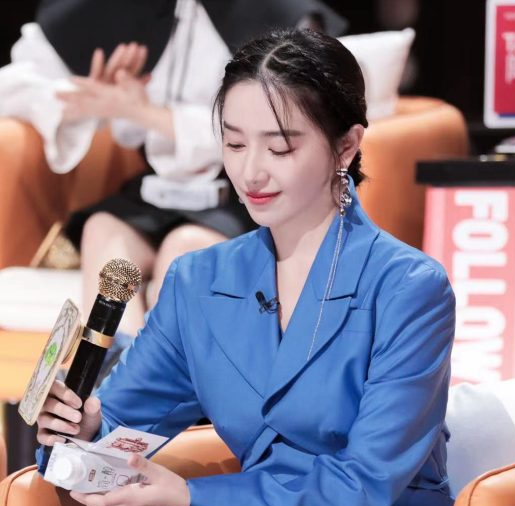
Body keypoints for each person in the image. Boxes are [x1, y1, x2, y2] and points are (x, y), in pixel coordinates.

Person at [25, 27, 455, 506]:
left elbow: (360, 485)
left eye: (280, 146)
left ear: (346, 145)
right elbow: (122, 423)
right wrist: (78, 424)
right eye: (232, 142)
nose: (251, 170)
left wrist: (188, 494)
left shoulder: (408, 288)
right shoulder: (200, 282)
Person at [0, 0, 346, 339]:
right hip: (156, 190)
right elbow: (13, 85)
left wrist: (144, 113)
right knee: (104, 231)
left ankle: (165, 365)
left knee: (185, 250)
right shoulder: (103, 11)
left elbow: (287, 126)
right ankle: (111, 359)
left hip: (242, 193)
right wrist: (90, 99)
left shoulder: (283, 14)